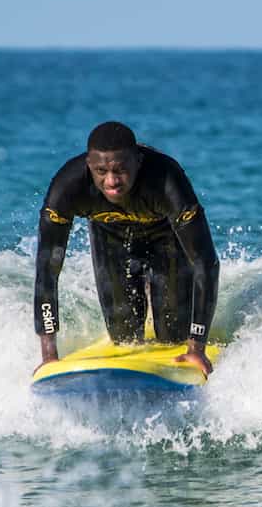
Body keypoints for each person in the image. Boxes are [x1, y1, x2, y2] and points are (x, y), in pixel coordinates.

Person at [34, 121, 219, 376]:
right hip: (110, 237)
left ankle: (163, 301)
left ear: (138, 161)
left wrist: (197, 347)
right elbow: (47, 270)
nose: (111, 180)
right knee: (124, 337)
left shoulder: (166, 179)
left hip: (165, 237)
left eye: (120, 170)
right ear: (89, 165)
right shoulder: (68, 187)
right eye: (101, 171)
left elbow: (205, 263)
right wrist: (49, 356)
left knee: (174, 335)